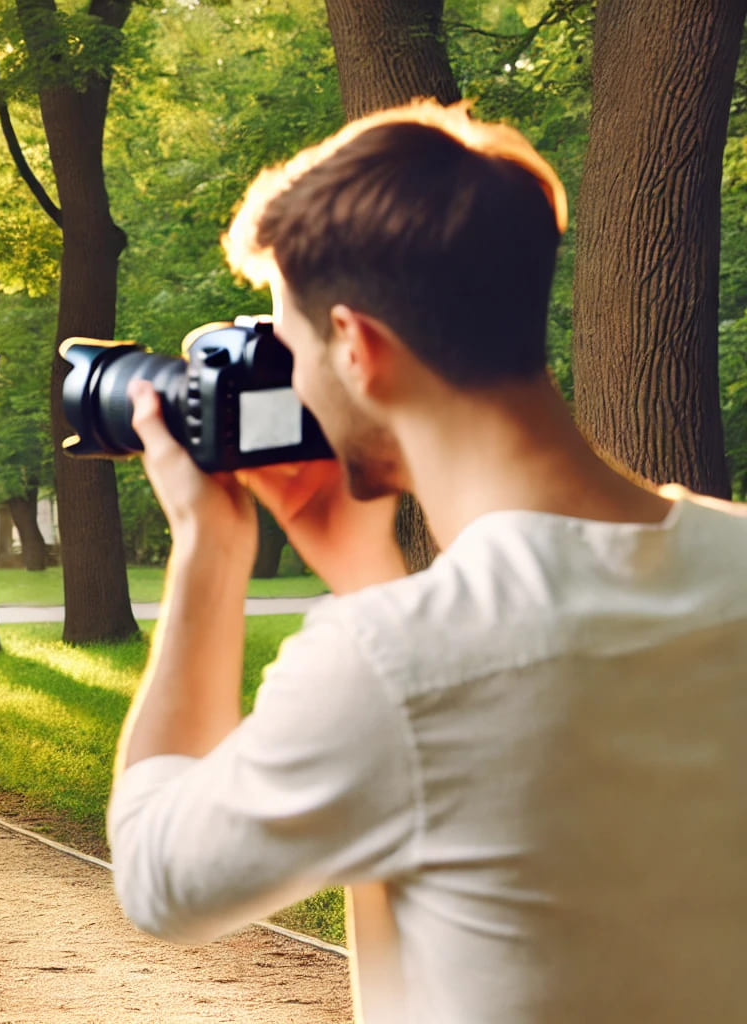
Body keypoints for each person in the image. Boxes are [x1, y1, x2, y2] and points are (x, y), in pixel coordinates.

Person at [107, 98, 747, 1022]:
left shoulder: (389, 666)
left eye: (292, 347)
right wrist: (369, 573)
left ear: (360, 350)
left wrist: (208, 550)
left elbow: (161, 877)